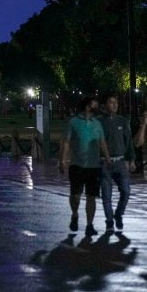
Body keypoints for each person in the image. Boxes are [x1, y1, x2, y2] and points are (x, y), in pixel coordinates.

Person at [59, 96, 111, 237]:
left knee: (91, 197)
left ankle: (89, 225)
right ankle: (75, 214)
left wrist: (107, 158)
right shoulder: (74, 122)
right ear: (88, 107)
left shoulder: (97, 124)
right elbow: (66, 142)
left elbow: (102, 143)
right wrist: (62, 161)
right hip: (77, 165)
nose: (98, 106)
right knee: (75, 196)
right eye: (95, 105)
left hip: (94, 166)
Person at [98, 94, 135, 231]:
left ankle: (118, 214)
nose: (114, 105)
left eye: (116, 103)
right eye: (111, 102)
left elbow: (129, 141)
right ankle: (109, 221)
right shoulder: (98, 122)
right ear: (104, 105)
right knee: (106, 195)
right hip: (103, 164)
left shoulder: (123, 121)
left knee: (126, 191)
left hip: (120, 162)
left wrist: (131, 159)